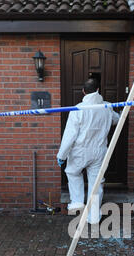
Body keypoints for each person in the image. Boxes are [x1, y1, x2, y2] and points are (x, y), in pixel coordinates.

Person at [56, 78, 120, 223]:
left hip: (80, 151)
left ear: (83, 91)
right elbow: (116, 120)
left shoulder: (78, 108)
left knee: (72, 173)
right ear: (98, 90)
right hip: (99, 151)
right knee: (96, 183)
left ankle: (78, 203)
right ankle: (94, 217)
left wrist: (62, 155)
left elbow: (70, 135)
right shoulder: (107, 107)